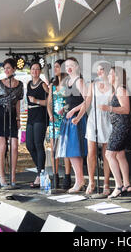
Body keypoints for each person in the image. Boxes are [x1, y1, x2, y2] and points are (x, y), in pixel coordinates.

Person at [100, 66, 131, 198]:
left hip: (122, 125)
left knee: (109, 154)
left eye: (110, 74)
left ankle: (118, 185)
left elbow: (126, 109)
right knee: (119, 155)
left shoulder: (121, 89)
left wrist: (109, 108)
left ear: (117, 76)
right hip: (118, 125)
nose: (108, 76)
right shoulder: (115, 90)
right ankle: (127, 185)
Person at [0, 58, 24, 188]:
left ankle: (13, 175)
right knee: (2, 146)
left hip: (11, 116)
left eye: (9, 68)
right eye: (5, 68)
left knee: (15, 146)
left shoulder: (20, 85)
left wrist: (18, 118)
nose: (6, 70)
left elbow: (18, 103)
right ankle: (2, 176)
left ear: (14, 69)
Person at [56, 57, 88, 193]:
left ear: (77, 67)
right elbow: (72, 100)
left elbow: (87, 101)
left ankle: (80, 180)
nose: (69, 68)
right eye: (67, 65)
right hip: (68, 118)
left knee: (75, 151)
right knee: (71, 152)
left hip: (77, 119)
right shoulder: (67, 81)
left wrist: (74, 110)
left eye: (72, 65)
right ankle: (79, 179)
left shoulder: (79, 81)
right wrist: (65, 108)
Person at [84, 61, 113, 196]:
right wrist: (78, 116)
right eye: (98, 70)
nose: (99, 72)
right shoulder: (92, 85)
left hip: (107, 118)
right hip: (94, 119)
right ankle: (91, 181)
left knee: (106, 153)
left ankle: (106, 183)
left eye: (101, 70)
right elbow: (87, 102)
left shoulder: (113, 86)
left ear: (107, 71)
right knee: (91, 152)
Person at [47, 59, 72, 189]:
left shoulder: (68, 83)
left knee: (66, 149)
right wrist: (51, 115)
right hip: (54, 119)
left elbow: (72, 100)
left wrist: (66, 110)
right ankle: (55, 175)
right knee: (54, 149)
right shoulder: (52, 84)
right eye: (54, 67)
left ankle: (67, 176)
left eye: (57, 67)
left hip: (66, 117)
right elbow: (49, 103)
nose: (55, 69)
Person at [26, 61, 49, 188]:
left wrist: (37, 101)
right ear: (30, 71)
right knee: (29, 145)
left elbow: (49, 102)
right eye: (33, 69)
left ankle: (40, 174)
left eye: (37, 69)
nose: (35, 71)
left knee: (38, 144)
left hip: (40, 115)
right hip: (30, 116)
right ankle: (40, 170)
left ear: (40, 71)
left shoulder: (43, 85)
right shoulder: (29, 84)